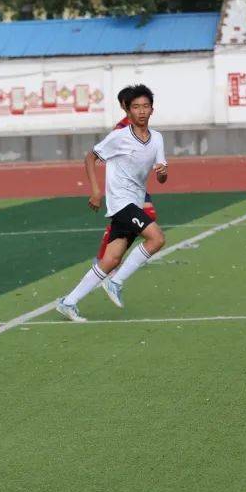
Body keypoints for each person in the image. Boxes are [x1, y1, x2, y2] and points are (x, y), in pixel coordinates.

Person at [56, 85, 168, 322]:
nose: (141, 111)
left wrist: (162, 172)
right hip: (120, 202)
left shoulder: (157, 138)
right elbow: (91, 157)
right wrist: (96, 191)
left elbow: (161, 176)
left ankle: (68, 302)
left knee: (111, 259)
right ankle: (116, 282)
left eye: (145, 106)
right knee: (157, 238)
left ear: (152, 109)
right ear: (127, 110)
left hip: (135, 203)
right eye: (136, 107)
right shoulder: (119, 136)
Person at [94, 87, 159, 271]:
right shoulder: (121, 129)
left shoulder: (138, 127)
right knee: (145, 218)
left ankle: (110, 257)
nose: (141, 110)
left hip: (136, 184)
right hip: (125, 186)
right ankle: (105, 257)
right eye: (135, 105)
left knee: (145, 217)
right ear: (125, 106)